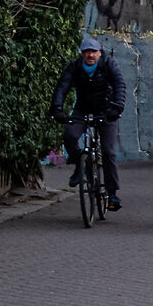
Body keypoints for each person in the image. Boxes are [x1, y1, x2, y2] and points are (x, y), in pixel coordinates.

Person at [52, 35, 125, 210]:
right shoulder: (75, 67)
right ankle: (80, 164)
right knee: (70, 135)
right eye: (86, 52)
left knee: (108, 151)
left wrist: (117, 107)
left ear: (100, 53)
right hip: (82, 109)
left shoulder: (109, 64)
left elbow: (119, 85)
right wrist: (57, 108)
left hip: (106, 111)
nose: (90, 55)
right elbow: (63, 86)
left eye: (93, 52)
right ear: (81, 54)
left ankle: (112, 194)